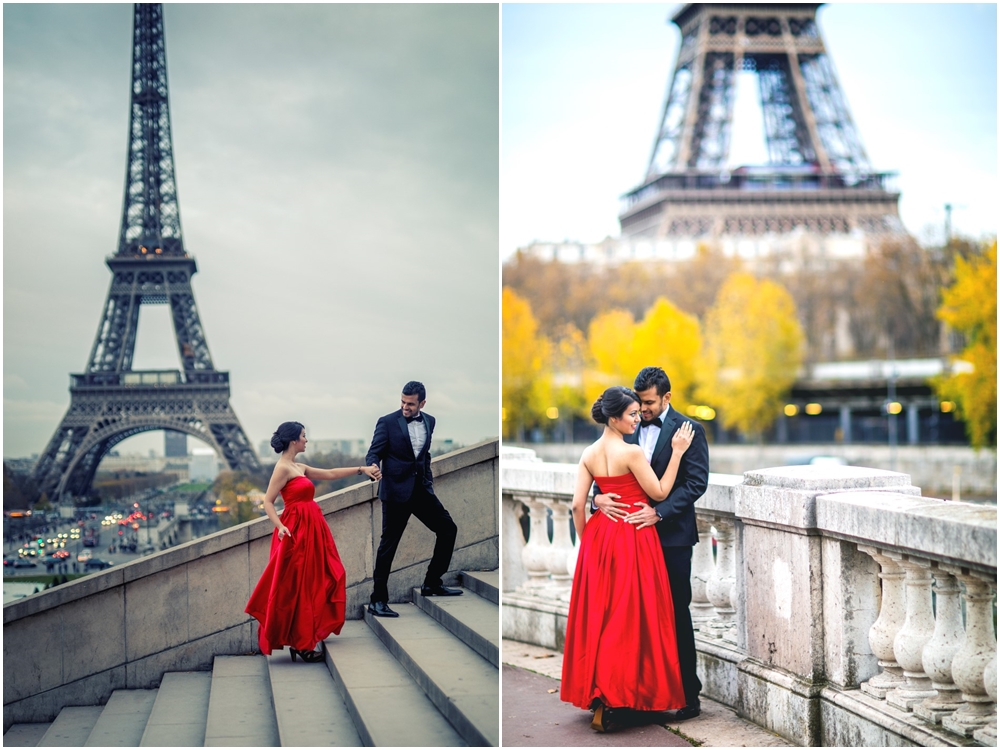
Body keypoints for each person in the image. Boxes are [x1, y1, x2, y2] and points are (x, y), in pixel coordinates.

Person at [561, 386, 695, 732]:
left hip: (600, 538)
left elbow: (577, 505)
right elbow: (660, 492)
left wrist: (587, 540)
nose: (638, 418)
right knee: (632, 620)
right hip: (634, 538)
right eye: (632, 414)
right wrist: (678, 452)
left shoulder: (589, 453)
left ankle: (601, 696)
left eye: (639, 412)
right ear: (614, 417)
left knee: (601, 617)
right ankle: (623, 696)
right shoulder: (632, 452)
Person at [594, 366, 709, 721]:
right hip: (629, 540)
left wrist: (658, 513)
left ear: (667, 398)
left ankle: (688, 694)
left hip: (671, 539)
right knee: (632, 620)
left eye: (648, 403)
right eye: (638, 404)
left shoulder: (690, 431)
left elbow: (696, 483)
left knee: (675, 613)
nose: (641, 411)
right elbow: (605, 472)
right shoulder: (624, 425)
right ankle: (638, 695)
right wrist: (597, 499)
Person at [245, 421, 381, 662]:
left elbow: (329, 474)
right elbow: (268, 501)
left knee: (328, 575)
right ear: (293, 441)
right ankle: (303, 644)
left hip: (314, 530)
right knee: (300, 587)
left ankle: (305, 637)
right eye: (304, 436)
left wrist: (362, 469)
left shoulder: (298, 466)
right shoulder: (282, 469)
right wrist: (280, 526)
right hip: (295, 533)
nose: (307, 440)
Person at [365, 381, 460, 618]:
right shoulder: (386, 422)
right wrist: (373, 466)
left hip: (421, 491)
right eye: (403, 402)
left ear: (422, 403)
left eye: (410, 403)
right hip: (395, 493)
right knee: (388, 546)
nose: (405, 407)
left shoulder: (430, 421)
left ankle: (432, 583)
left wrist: (427, 480)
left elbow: (424, 454)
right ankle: (378, 600)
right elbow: (374, 452)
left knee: (448, 529)